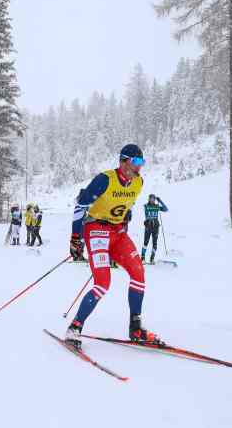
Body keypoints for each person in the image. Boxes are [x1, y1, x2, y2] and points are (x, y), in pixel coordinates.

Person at [65, 144, 162, 349]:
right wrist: (75, 237)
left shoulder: (138, 183)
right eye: (136, 162)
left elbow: (126, 206)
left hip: (118, 233)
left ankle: (135, 327)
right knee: (103, 283)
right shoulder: (105, 179)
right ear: (123, 161)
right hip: (96, 230)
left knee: (138, 272)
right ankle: (75, 327)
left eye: (142, 162)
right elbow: (80, 207)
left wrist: (126, 214)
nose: (139, 167)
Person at [141, 194, 169, 264]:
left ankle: (152, 259)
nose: (152, 200)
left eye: (153, 199)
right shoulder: (146, 206)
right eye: (151, 198)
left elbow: (166, 209)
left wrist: (160, 201)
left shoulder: (157, 206)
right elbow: (147, 211)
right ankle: (142, 258)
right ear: (149, 199)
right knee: (145, 242)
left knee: (155, 243)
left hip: (156, 227)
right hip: (148, 226)